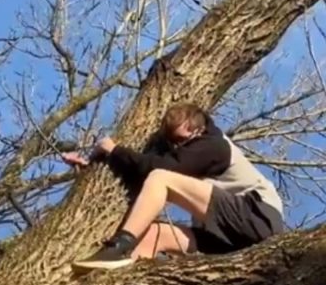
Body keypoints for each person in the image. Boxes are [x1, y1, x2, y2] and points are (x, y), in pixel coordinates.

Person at [61, 102, 284, 270]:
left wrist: (115, 150)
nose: (179, 147)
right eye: (174, 143)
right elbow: (144, 176)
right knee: (153, 234)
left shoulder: (214, 146)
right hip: (229, 240)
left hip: (257, 219)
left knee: (161, 177)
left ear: (197, 128)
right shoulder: (189, 152)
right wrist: (94, 164)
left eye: (183, 140)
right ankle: (116, 279)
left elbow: (157, 170)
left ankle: (118, 246)